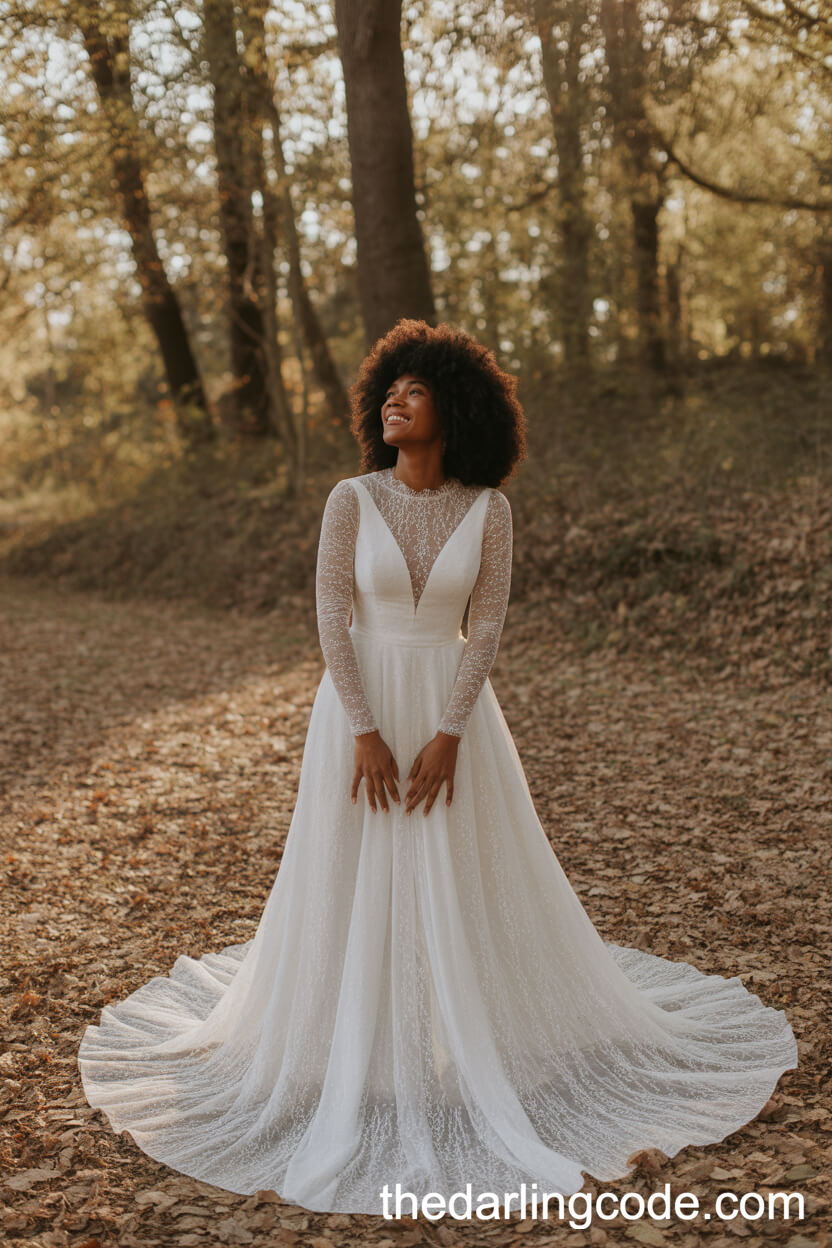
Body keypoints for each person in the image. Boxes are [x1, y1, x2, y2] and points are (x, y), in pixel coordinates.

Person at [78, 319, 797, 1216]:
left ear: (452, 408)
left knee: (459, 872)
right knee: (352, 871)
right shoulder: (350, 498)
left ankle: (468, 1037)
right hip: (360, 705)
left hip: (457, 714)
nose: (393, 400)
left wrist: (451, 729)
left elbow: (486, 625)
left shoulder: (490, 510)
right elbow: (332, 614)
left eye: (413, 391)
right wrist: (366, 729)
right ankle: (357, 1055)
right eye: (388, 389)